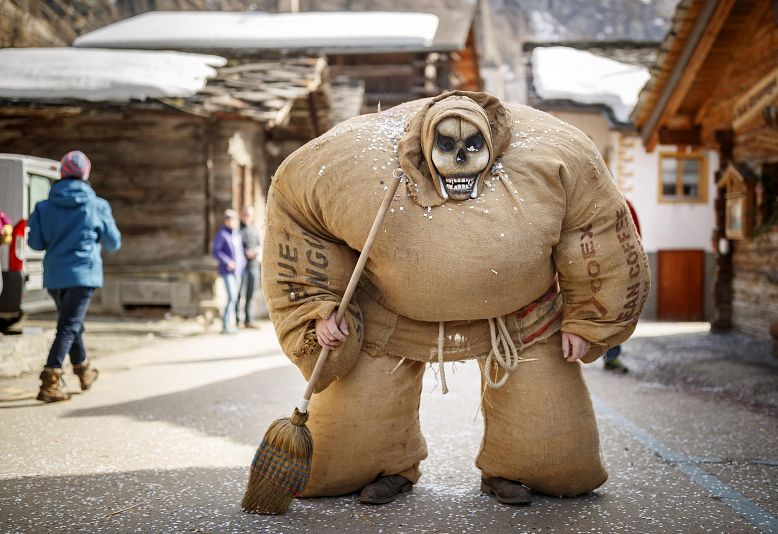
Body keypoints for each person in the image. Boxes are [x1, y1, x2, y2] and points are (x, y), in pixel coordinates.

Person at [263, 91, 649, 506]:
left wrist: (589, 320)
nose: (460, 160)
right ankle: (386, 467)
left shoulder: (559, 154)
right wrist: (318, 311)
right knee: (335, 464)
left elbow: (597, 232)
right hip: (388, 319)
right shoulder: (342, 167)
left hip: (520, 322)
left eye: (472, 147)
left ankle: (513, 470)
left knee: (560, 466)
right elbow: (299, 225)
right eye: (446, 147)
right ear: (420, 152)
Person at [28, 150, 121, 403]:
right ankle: (50, 380)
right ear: (86, 174)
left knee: (71, 324)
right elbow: (113, 243)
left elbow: (35, 243)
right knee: (68, 326)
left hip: (55, 276)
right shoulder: (97, 205)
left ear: (61, 173)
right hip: (83, 274)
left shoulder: (43, 207)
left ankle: (84, 371)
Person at [603, 197, 642, 374]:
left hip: (618, 268)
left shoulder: (623, 204)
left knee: (615, 313)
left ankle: (611, 355)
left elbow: (636, 236)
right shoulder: (583, 203)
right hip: (593, 267)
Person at [212, 209, 245, 334]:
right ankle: (225, 325)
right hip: (227, 271)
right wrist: (227, 261)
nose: (232, 221)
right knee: (231, 297)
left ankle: (230, 324)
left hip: (238, 272)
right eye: (230, 219)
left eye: (234, 219)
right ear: (226, 220)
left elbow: (240, 252)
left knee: (235, 298)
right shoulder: (222, 234)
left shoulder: (236, 234)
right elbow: (216, 251)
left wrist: (242, 265)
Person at [236, 206, 261, 329]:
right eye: (245, 214)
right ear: (242, 215)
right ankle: (237, 320)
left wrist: (256, 251)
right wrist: (245, 252)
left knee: (251, 294)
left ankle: (248, 320)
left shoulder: (255, 229)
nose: (247, 216)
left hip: (254, 266)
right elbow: (235, 247)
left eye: (249, 214)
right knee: (239, 293)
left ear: (252, 216)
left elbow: (259, 245)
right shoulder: (238, 230)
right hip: (241, 267)